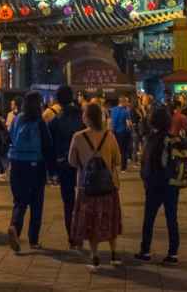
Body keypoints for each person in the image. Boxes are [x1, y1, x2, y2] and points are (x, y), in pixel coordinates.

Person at [68, 101, 124, 269]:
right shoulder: (109, 136)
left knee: (92, 221)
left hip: (87, 187)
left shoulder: (78, 137)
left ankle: (95, 255)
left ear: (86, 117)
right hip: (109, 186)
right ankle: (114, 254)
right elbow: (118, 160)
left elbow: (72, 161)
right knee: (110, 219)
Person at [136, 103, 187, 263]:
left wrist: (145, 180)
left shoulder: (152, 140)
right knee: (172, 218)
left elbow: (147, 163)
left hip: (155, 185)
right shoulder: (174, 139)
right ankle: (173, 252)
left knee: (149, 218)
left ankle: (145, 250)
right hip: (172, 184)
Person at [5, 90, 54, 252]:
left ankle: (14, 227)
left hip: (17, 164)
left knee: (20, 201)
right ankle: (33, 240)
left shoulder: (17, 118)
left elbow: (10, 138)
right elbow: (47, 145)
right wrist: (51, 169)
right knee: (36, 203)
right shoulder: (39, 121)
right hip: (35, 165)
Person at [47, 85, 85, 242]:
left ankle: (72, 235)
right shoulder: (82, 116)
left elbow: (50, 147)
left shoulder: (55, 121)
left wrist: (52, 170)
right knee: (83, 199)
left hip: (63, 164)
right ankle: (83, 232)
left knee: (68, 201)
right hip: (83, 164)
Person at [108, 96, 134, 171]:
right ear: (123, 102)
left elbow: (110, 121)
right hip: (123, 133)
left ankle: (113, 165)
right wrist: (131, 129)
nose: (128, 103)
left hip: (114, 132)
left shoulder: (112, 110)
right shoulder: (126, 111)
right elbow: (129, 124)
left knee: (114, 150)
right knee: (123, 151)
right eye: (127, 102)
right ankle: (123, 168)